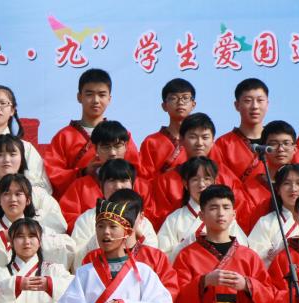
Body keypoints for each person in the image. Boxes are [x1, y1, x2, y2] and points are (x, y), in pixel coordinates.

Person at [42, 69, 140, 198]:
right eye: (89, 94)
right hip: (77, 200)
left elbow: (135, 170)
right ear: (79, 97)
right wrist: (83, 172)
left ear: (109, 98)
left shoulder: (121, 134)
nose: (96, 100)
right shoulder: (64, 137)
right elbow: (52, 175)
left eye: (102, 95)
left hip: (119, 202)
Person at [0, 174, 75, 280]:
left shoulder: (42, 230)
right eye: (6, 194)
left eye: (18, 194)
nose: (13, 199)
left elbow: (69, 248)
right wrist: (2, 237)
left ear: (28, 200)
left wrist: (34, 237)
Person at [148, 113, 244, 229]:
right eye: (193, 137)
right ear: (181, 140)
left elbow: (238, 212)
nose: (199, 143)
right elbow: (160, 219)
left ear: (213, 141)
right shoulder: (166, 181)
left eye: (205, 137)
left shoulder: (226, 177)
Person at [0, 135, 65, 235]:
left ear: (22, 159)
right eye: (0, 155)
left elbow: (59, 224)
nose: (6, 160)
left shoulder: (37, 193)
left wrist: (26, 226)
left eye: (12, 154)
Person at [58, 121, 149, 228]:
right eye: (106, 147)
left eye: (118, 146)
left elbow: (147, 223)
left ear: (126, 147)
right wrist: (103, 229)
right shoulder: (80, 186)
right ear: (95, 149)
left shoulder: (142, 187)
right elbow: (67, 219)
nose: (112, 153)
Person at [71, 160, 159, 268]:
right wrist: (102, 234)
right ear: (101, 185)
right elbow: (77, 262)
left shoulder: (142, 221)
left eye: (123, 180)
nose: (118, 186)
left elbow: (154, 260)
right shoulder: (86, 219)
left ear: (132, 184)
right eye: (111, 180)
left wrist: (138, 236)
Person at [157, 157, 247, 261]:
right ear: (186, 184)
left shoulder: (226, 217)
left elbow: (242, 251)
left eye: (207, 179)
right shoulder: (173, 219)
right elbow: (163, 258)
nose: (201, 184)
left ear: (214, 181)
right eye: (195, 179)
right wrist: (189, 242)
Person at [247, 164, 299, 265]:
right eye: (287, 183)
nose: (293, 189)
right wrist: (276, 254)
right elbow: (255, 259)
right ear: (278, 189)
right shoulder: (265, 222)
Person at [209, 78, 270, 188]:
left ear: (267, 104)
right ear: (237, 105)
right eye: (248, 101)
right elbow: (217, 181)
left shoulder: (278, 141)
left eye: (260, 100)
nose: (255, 106)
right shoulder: (223, 144)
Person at [137, 78, 196, 180]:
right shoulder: (151, 142)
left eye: (185, 98)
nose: (180, 102)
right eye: (173, 98)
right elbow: (145, 179)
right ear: (164, 106)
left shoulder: (200, 141)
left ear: (193, 105)